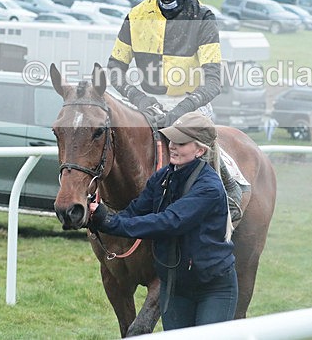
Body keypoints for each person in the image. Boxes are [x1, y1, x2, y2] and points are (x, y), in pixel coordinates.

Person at [87, 111, 237, 330]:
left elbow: (168, 222)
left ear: (200, 150)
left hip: (213, 289)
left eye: (181, 143)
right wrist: (97, 217)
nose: (173, 146)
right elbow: (136, 210)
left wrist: (111, 223)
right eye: (172, 140)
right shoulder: (163, 176)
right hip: (175, 285)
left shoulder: (210, 188)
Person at [106, 0, 221, 127]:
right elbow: (114, 69)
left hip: (190, 105)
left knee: (189, 151)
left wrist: (181, 110)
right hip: (147, 104)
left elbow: (213, 81)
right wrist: (139, 98)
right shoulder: (136, 15)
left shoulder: (203, 17)